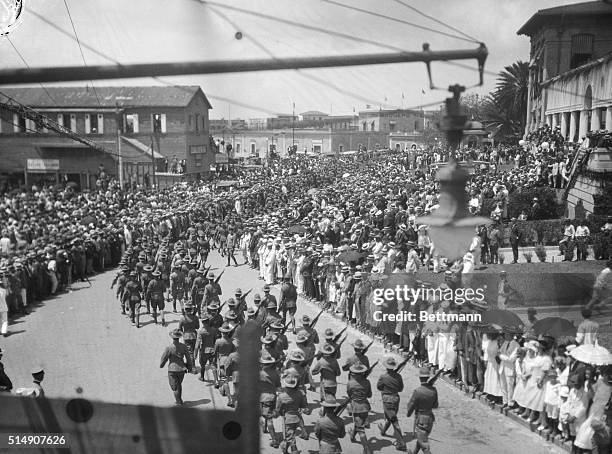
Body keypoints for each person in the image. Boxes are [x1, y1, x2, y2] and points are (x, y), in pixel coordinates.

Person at [274, 374, 310, 454]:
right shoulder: (300, 393)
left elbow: (278, 410)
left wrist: (278, 414)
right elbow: (303, 405)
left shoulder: (281, 396)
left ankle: (294, 450)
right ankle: (285, 449)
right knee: (289, 435)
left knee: (290, 438)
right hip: (297, 417)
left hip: (287, 419)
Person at [406, 366, 438, 454]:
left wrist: (408, 413)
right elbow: (435, 405)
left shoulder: (418, 391)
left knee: (424, 444)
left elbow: (411, 405)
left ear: (420, 378)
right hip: (430, 418)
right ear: (428, 377)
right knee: (421, 438)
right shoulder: (433, 390)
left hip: (421, 419)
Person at [377, 356, 406, 451]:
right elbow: (401, 389)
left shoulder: (383, 376)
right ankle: (384, 431)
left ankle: (401, 443)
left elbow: (379, 387)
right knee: (391, 416)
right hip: (396, 398)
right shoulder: (398, 376)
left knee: (393, 420)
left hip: (387, 399)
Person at [160, 329, 192, 406]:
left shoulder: (169, 348)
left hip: (172, 369)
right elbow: (188, 358)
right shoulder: (184, 346)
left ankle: (179, 402)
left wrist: (162, 365)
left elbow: (164, 358)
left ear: (172, 337)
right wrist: (189, 367)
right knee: (179, 385)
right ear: (179, 337)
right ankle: (179, 399)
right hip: (181, 369)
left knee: (175, 387)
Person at [347, 362, 373, 454]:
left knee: (360, 428)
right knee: (358, 422)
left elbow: (349, 394)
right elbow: (369, 395)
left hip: (356, 407)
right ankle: (352, 436)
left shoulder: (350, 383)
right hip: (365, 406)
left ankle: (367, 449)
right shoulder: (367, 382)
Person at [260, 352, 281, 448]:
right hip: (273, 396)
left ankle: (274, 440)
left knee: (268, 418)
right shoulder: (275, 373)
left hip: (263, 397)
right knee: (266, 414)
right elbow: (278, 386)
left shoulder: (260, 373)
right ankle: (264, 428)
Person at [194, 313, 218, 383]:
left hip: (204, 351)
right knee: (213, 365)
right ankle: (216, 380)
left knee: (202, 364)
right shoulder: (213, 330)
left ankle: (202, 377)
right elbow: (215, 340)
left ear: (202, 322)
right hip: (212, 350)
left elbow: (197, 344)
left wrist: (195, 353)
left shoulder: (200, 331)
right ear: (208, 321)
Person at [0, 272, 9, 337]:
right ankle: (4, 331)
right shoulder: (4, 290)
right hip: (3, 307)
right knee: (4, 320)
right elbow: (6, 296)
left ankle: (1, 330)